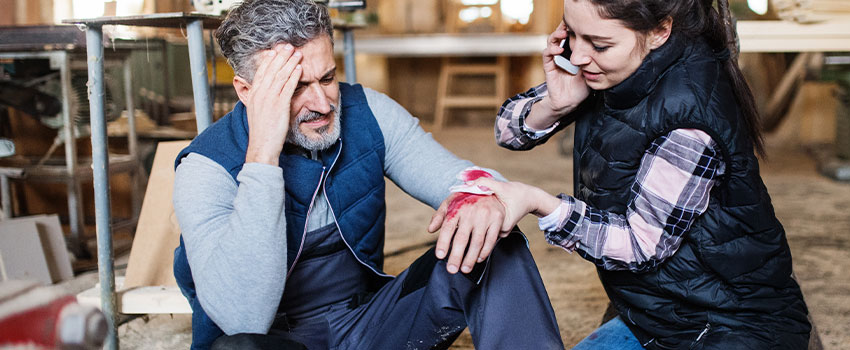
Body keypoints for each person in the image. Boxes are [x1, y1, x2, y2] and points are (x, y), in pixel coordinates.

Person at [170, 1, 563, 349]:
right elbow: (244, 319)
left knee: (491, 230)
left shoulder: (368, 112)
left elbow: (455, 175)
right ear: (246, 90)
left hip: (368, 325)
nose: (322, 104)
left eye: (327, 78)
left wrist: (483, 199)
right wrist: (262, 155)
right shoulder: (205, 167)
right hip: (274, 339)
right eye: (295, 88)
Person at [471, 0, 811, 348]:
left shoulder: (688, 119)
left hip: (728, 322)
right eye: (571, 34)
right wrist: (556, 103)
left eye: (599, 44)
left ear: (659, 31)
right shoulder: (609, 68)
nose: (576, 57)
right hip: (658, 312)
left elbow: (639, 245)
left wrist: (539, 203)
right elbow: (507, 132)